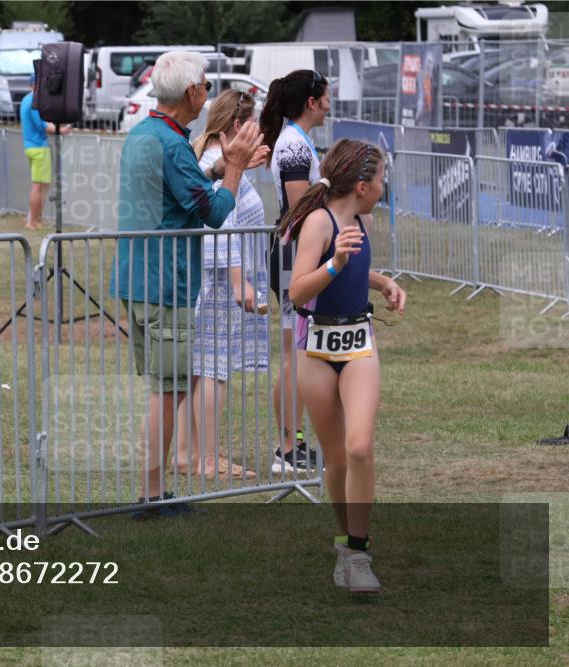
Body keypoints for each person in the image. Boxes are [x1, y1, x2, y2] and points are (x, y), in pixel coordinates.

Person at [109, 51, 268, 517]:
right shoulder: (174, 144)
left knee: (167, 389)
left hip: (138, 279)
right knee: (169, 391)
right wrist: (235, 167)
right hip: (166, 283)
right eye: (203, 84)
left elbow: (183, 189)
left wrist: (220, 170)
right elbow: (216, 214)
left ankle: (153, 492)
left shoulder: (144, 134)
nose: (206, 92)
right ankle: (151, 497)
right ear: (191, 93)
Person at [281, 138, 406, 593]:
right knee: (335, 459)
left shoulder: (362, 219)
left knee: (359, 448)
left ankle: (358, 551)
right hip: (314, 347)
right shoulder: (318, 221)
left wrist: (383, 282)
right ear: (361, 184)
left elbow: (354, 268)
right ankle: (344, 542)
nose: (383, 185)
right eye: (380, 178)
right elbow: (298, 291)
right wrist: (334, 262)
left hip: (358, 343)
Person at [176, 91, 268, 482]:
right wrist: (238, 281)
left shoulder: (214, 158)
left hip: (215, 278)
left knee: (198, 370)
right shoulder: (215, 162)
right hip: (217, 282)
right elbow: (221, 225)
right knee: (213, 371)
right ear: (236, 126)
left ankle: (186, 454)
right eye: (254, 123)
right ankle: (208, 459)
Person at [260, 68, 331, 473]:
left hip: (295, 255)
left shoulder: (296, 142)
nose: (329, 102)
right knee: (294, 355)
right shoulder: (293, 147)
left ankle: (293, 442)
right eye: (326, 96)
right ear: (311, 102)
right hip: (292, 257)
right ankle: (287, 448)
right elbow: (300, 209)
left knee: (300, 353)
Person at [19, 74, 71, 231]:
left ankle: (33, 217)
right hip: (39, 147)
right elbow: (43, 126)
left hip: (31, 146)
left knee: (42, 184)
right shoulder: (34, 102)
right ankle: (32, 221)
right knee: (39, 186)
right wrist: (61, 131)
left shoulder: (25, 99)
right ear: (36, 84)